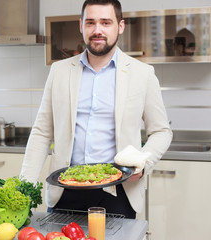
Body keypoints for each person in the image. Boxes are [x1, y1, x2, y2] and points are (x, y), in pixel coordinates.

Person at [20, 0, 172, 219]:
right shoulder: (59, 71)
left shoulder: (142, 74)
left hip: (118, 193)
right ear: (81, 26)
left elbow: (161, 131)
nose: (97, 30)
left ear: (120, 26)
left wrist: (142, 165)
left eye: (105, 22)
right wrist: (24, 186)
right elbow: (42, 132)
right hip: (65, 190)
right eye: (90, 22)